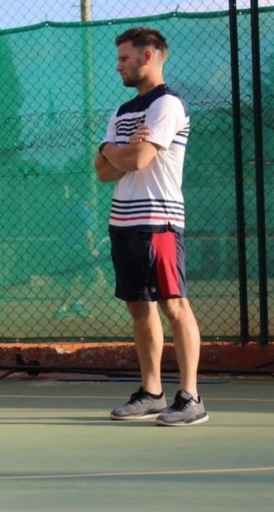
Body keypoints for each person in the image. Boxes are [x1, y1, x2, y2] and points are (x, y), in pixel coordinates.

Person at [95, 27, 208, 427]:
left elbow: (138, 159)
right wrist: (114, 151)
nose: (118, 66)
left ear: (148, 56)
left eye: (124, 58)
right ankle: (152, 393)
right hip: (123, 221)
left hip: (159, 220)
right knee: (139, 308)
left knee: (174, 306)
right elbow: (102, 170)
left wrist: (115, 151)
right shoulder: (123, 112)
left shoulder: (168, 105)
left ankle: (191, 398)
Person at [54, 185, 107, 320]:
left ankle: (69, 306)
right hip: (82, 249)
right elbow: (87, 232)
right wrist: (91, 249)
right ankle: (71, 305)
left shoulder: (68, 210)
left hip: (69, 248)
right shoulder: (84, 210)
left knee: (76, 278)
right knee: (99, 279)